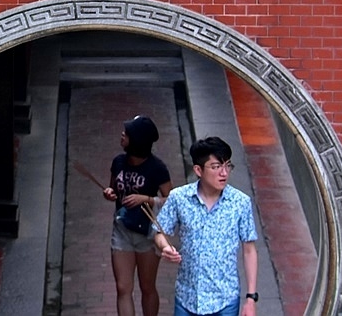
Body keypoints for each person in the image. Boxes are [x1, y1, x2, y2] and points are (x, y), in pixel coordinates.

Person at [154, 137, 258, 316]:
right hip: (187, 298)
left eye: (228, 166)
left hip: (225, 299)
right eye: (216, 167)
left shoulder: (240, 203)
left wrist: (250, 298)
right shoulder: (179, 198)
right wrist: (165, 247)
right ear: (198, 170)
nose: (224, 173)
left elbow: (249, 250)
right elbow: (159, 231)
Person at [102, 115, 173, 316]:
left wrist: (148, 199)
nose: (122, 134)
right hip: (122, 230)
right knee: (123, 288)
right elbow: (114, 189)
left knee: (147, 287)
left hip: (148, 233)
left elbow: (171, 199)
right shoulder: (118, 162)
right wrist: (109, 193)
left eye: (128, 132)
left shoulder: (157, 168)